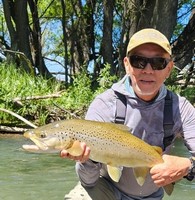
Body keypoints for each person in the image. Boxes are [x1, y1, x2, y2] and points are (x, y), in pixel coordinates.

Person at [61, 28, 195, 200]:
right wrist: (89, 159)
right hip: (107, 190)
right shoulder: (105, 105)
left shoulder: (180, 108)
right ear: (126, 64)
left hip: (151, 196)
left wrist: (188, 166)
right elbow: (88, 183)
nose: (147, 70)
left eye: (158, 63)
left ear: (169, 69)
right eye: (138, 61)